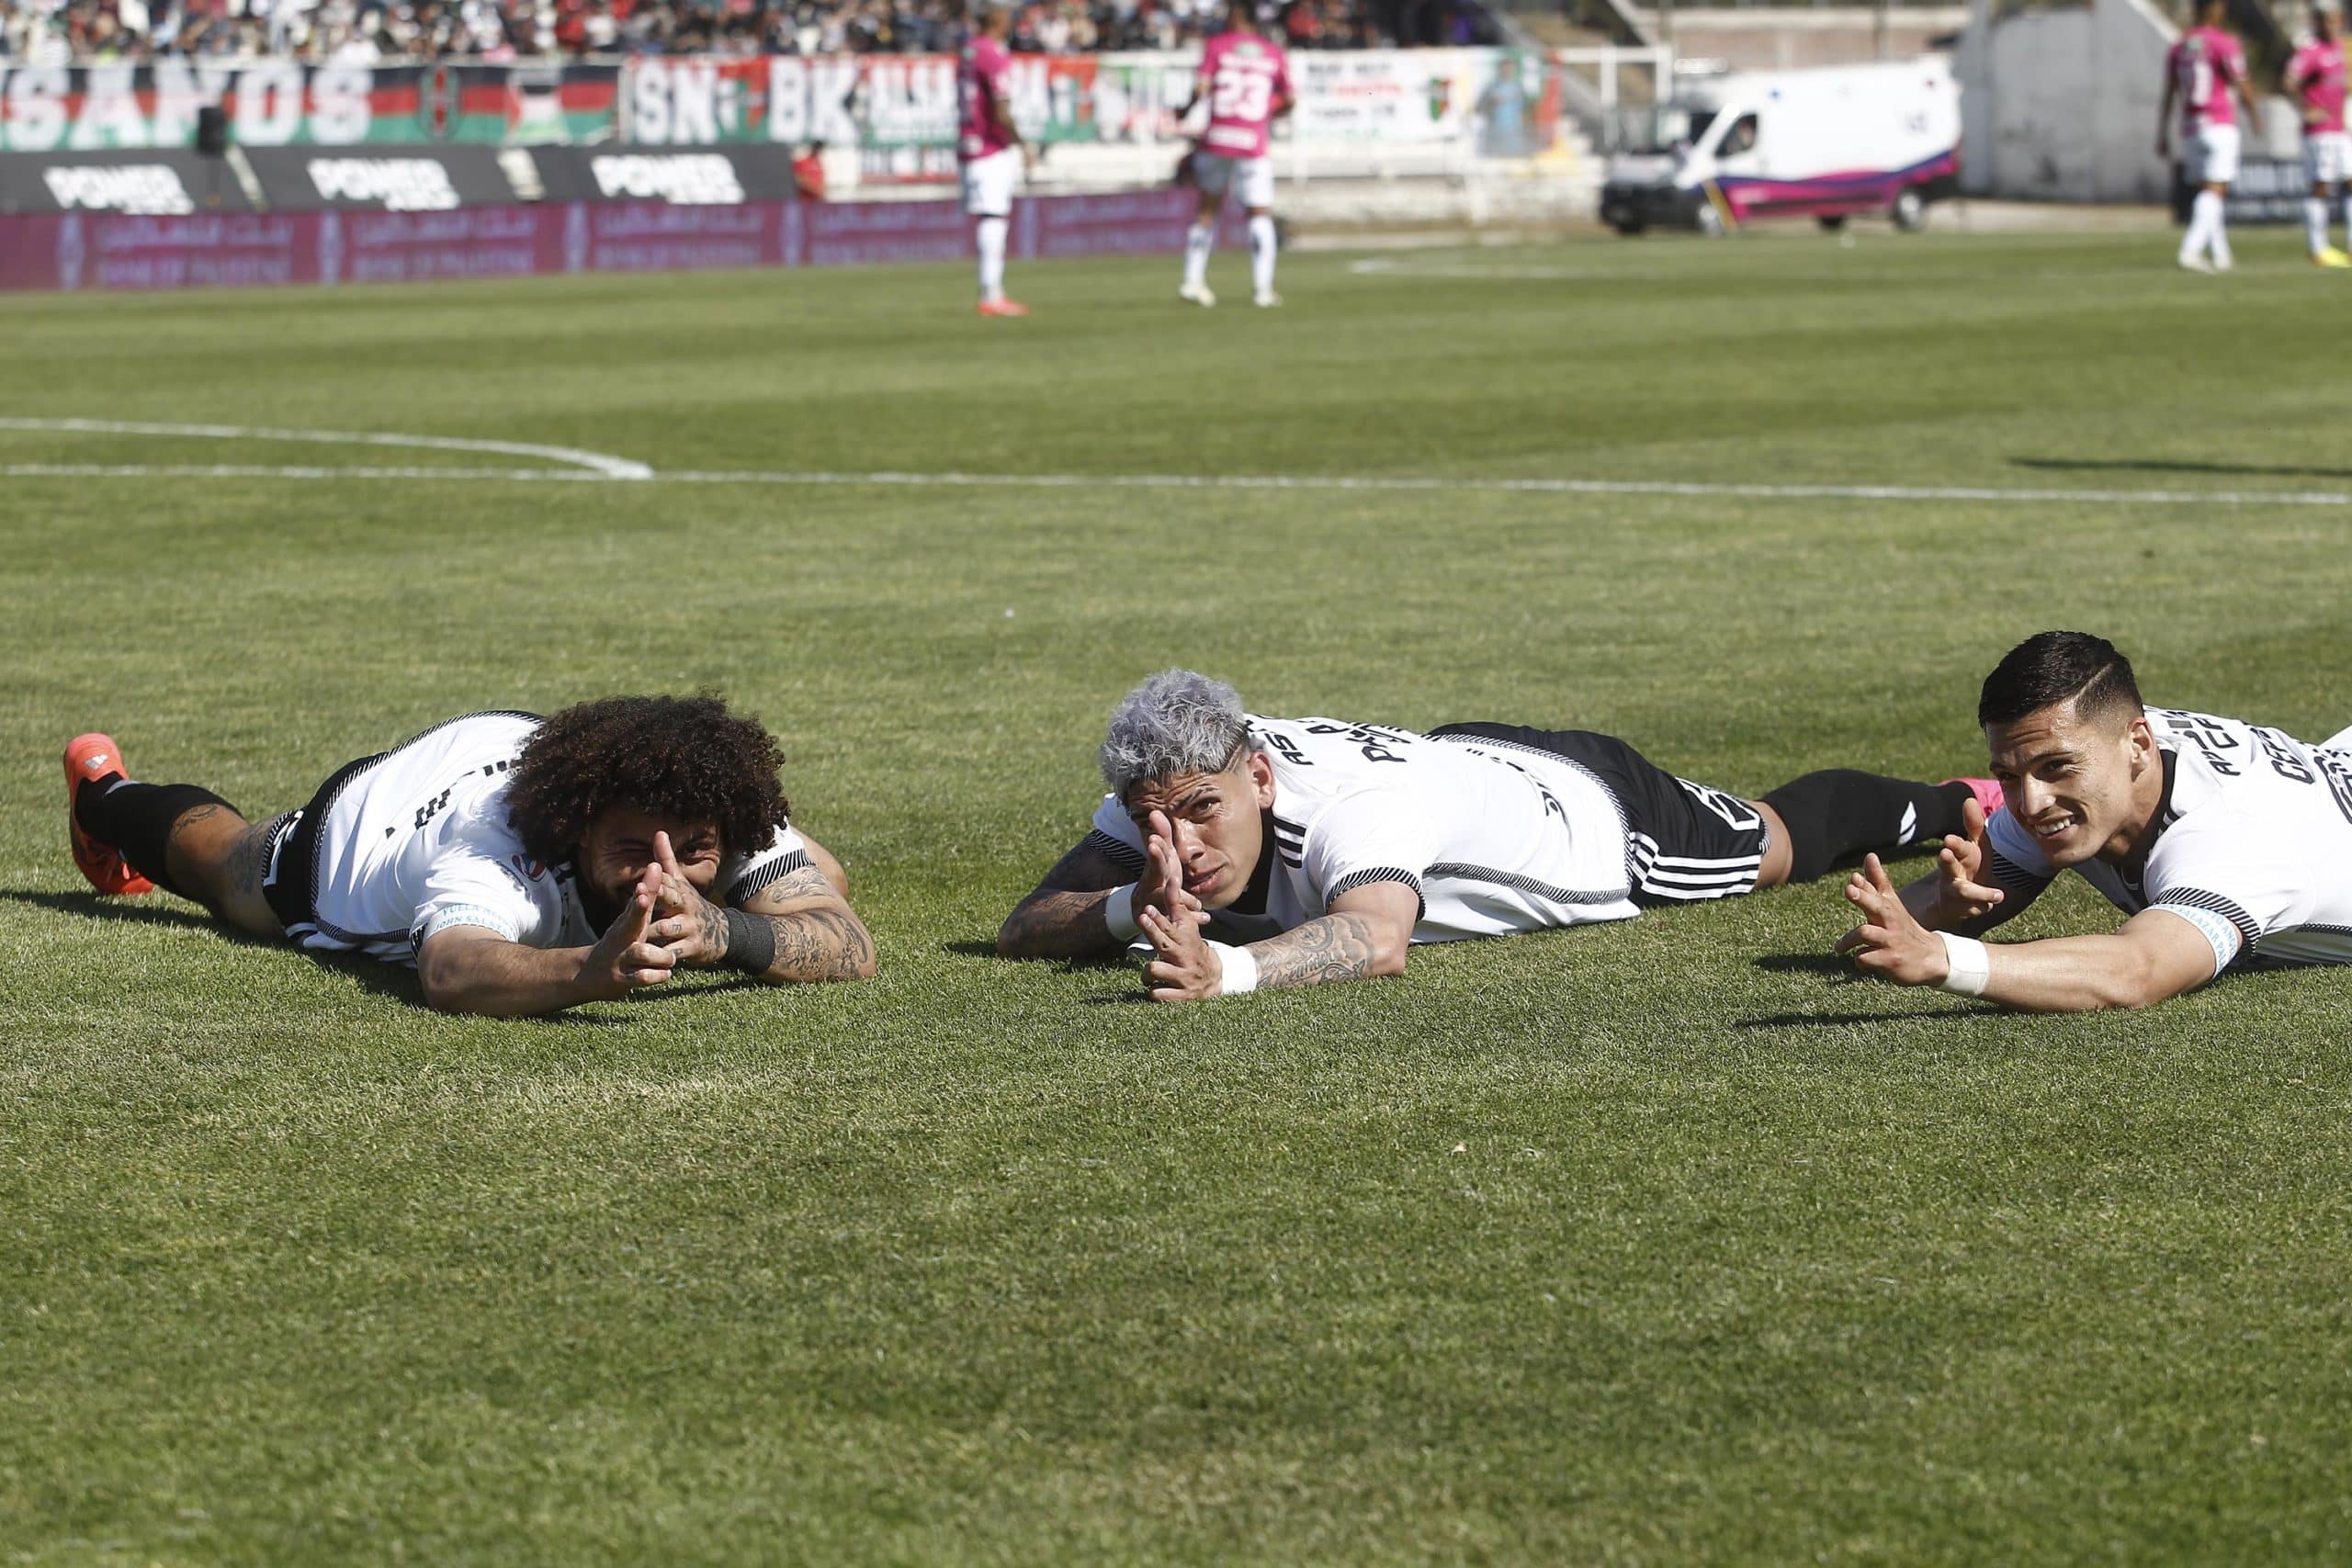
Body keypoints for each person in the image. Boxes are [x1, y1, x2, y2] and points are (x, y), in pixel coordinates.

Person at [998, 669, 1999, 1001]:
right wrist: (1135, 901)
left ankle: (1959, 798)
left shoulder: (1354, 815)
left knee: (1779, 840)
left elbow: (1376, 939)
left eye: (1203, 813)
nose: (1183, 841)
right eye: (1153, 823)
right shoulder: (1165, 787)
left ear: (1257, 776)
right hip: (1466, 760)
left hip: (1601, 822)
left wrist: (1230, 975)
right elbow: (1028, 923)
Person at [62, 696, 876, 1017]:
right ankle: (104, 796)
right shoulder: (500, 852)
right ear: (577, 827)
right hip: (362, 826)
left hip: (520, 737)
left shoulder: (718, 819)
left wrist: (730, 931)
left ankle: (777, 875)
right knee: (228, 864)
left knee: (818, 878)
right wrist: (590, 971)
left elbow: (851, 943)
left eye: (695, 851)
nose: (664, 871)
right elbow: (449, 970)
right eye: (632, 849)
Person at [1838, 632, 2352, 1011]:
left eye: (2055, 768)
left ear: (2140, 745)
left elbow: (2136, 972)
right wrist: (1945, 909)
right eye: (2008, 776)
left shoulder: (2233, 838)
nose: (2032, 803)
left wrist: (1945, 957)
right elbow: (1899, 928)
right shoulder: (2093, 742)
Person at [1174, 0, 1294, 310]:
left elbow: (1201, 89)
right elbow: (1290, 99)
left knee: (1207, 209)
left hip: (1218, 137)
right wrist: (1263, 115)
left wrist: (1185, 110)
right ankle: (1263, 289)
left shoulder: (1217, 46)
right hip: (1252, 141)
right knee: (1259, 213)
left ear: (1238, 16)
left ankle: (1192, 280)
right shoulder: (1272, 53)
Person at [2159, 0, 2258, 275]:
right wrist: (2254, 114)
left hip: (2191, 128)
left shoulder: (2180, 46)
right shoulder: (2223, 43)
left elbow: (2169, 93)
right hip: (2219, 123)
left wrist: (2162, 133)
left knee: (2207, 192)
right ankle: (2190, 250)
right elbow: (2241, 81)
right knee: (2216, 191)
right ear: (2215, 9)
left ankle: (2221, 254)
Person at [958, 0, 1030, 318]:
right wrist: (1022, 142)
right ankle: (992, 294)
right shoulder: (993, 55)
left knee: (989, 216)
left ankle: (992, 291)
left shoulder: (968, 51)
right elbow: (1001, 109)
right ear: (998, 19)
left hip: (968, 143)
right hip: (990, 147)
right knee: (994, 217)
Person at [2287, 0, 2352, 267]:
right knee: (2320, 187)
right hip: (2320, 132)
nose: (2334, 24)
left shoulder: (2340, 48)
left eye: (2338, 19)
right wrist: (2306, 109)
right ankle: (2318, 248)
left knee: (2350, 182)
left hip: (2340, 129)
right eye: (2329, 20)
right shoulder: (2310, 50)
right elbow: (2289, 82)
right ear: (2318, 21)